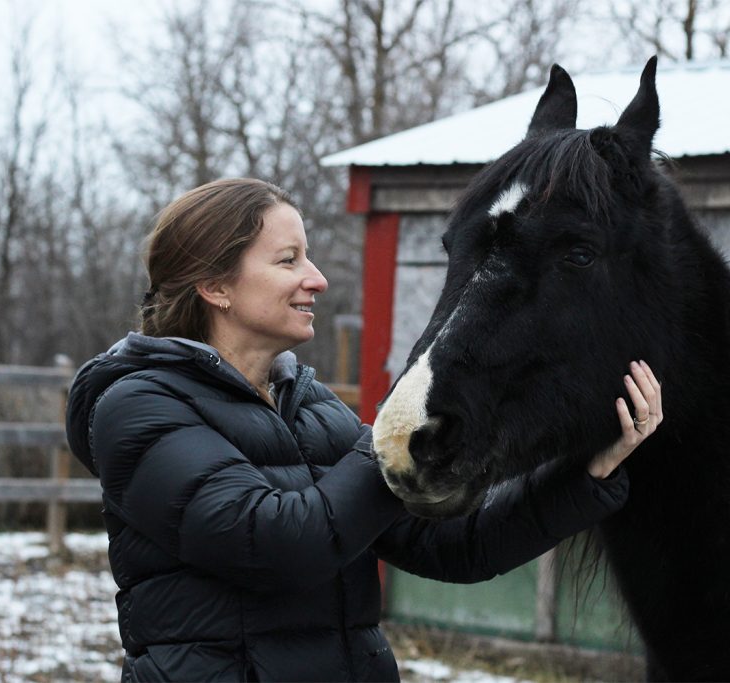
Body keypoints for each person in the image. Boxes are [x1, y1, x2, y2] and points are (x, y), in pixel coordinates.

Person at [65, 178, 663, 683]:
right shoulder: (138, 406)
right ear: (215, 285)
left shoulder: (310, 405)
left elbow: (450, 545)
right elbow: (272, 544)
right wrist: (397, 441)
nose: (317, 279)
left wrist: (588, 471)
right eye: (288, 259)